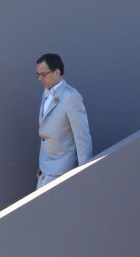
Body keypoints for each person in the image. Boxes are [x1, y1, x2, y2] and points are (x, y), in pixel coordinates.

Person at [35, 53, 93, 189]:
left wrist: (85, 172)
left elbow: (82, 136)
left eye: (43, 74)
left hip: (61, 170)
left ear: (57, 72)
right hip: (44, 169)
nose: (40, 79)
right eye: (38, 74)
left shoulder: (70, 96)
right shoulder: (46, 93)